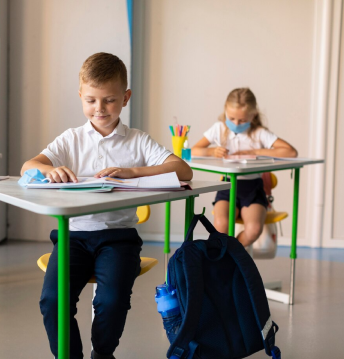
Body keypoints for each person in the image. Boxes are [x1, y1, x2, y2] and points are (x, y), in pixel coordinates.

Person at [21, 52, 193, 359]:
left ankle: (102, 354)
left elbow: (183, 170)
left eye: (109, 100)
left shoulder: (138, 141)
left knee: (111, 300)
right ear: (80, 97)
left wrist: (133, 171)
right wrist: (50, 170)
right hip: (72, 236)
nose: (99, 109)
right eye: (91, 100)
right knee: (52, 301)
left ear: (125, 98)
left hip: (118, 238)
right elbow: (28, 166)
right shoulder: (70, 140)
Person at [192, 88, 297, 246]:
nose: (236, 124)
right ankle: (229, 259)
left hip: (253, 188)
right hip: (227, 186)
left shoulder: (259, 133)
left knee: (253, 229)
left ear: (253, 115)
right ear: (225, 110)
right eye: (231, 118)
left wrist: (255, 151)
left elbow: (290, 152)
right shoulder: (219, 129)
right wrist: (211, 151)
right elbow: (193, 150)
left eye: (241, 121)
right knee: (220, 227)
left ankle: (232, 255)